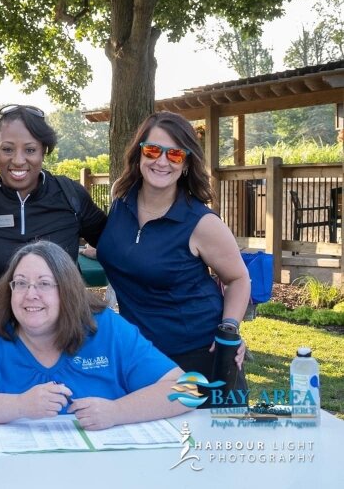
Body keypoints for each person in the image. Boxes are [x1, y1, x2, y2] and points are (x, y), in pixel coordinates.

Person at [0, 241, 189, 430]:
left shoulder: (106, 328)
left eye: (44, 283)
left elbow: (187, 390)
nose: (31, 294)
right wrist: (20, 406)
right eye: (20, 283)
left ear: (67, 290)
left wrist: (116, 411)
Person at [96, 112, 251, 389]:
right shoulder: (122, 203)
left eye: (175, 154)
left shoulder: (201, 223)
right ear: (139, 154)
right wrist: (95, 252)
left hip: (200, 357)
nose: (162, 161)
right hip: (142, 355)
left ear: (187, 163)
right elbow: (133, 251)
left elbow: (238, 278)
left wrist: (229, 328)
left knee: (203, 434)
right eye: (153, 150)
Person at [0, 104, 107, 319]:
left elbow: (117, 246)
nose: (18, 160)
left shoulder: (71, 197)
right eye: (7, 149)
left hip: (63, 336)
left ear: (44, 151)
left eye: (30, 150)